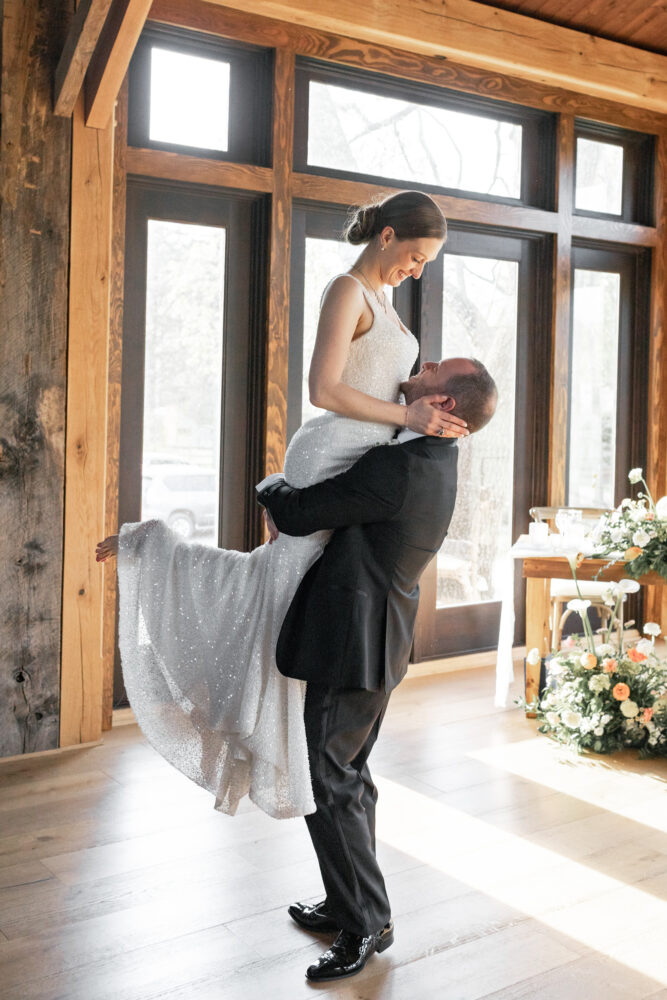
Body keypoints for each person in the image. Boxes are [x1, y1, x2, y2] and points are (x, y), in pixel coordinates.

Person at [96, 190, 467, 820]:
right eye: (416, 256)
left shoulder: (385, 298)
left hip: (362, 461)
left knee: (288, 595)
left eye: (425, 263)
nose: (417, 270)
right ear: (387, 236)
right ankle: (154, 551)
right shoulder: (347, 289)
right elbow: (323, 388)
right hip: (334, 452)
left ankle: (320, 756)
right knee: (273, 594)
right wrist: (407, 417)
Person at [257, 357, 498, 983]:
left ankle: (365, 923)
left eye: (437, 368)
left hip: (353, 640)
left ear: (444, 403)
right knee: (349, 776)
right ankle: (353, 904)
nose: (425, 364)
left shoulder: (399, 466)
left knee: (327, 777)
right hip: (378, 636)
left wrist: (269, 483)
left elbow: (299, 511)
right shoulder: (434, 459)